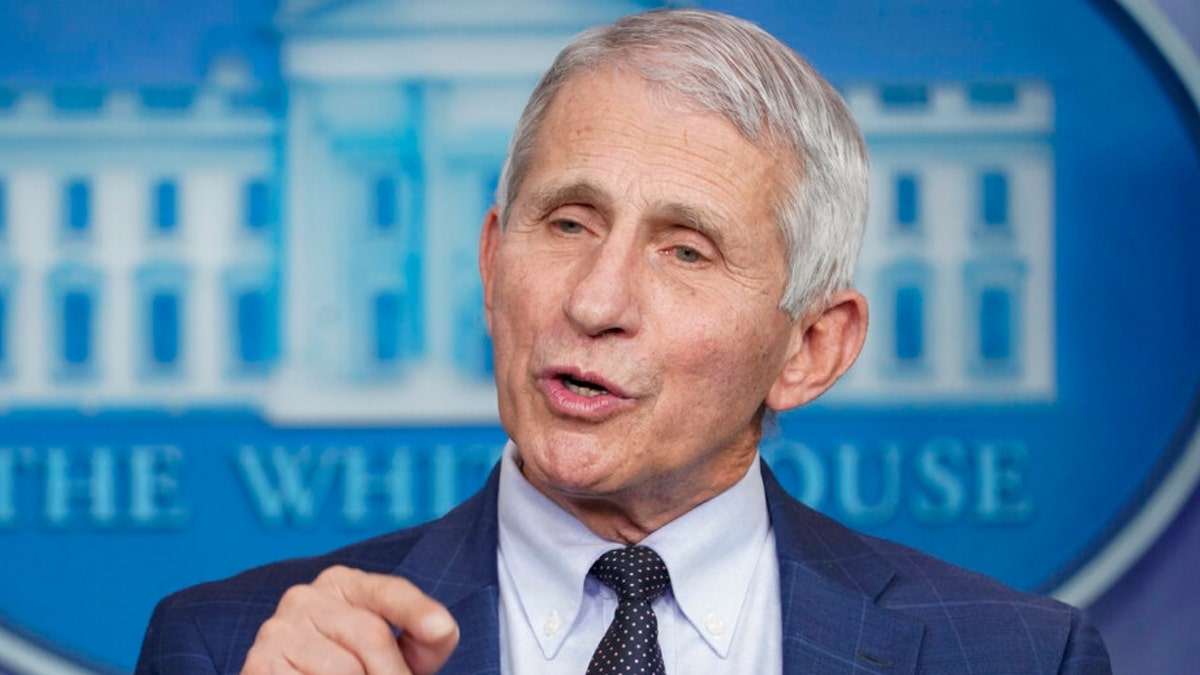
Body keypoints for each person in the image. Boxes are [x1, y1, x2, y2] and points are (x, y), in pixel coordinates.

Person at [136, 8, 1111, 674]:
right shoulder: (231, 646)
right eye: (567, 223)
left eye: (686, 251)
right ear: (490, 262)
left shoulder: (1019, 656)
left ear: (811, 347)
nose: (597, 300)